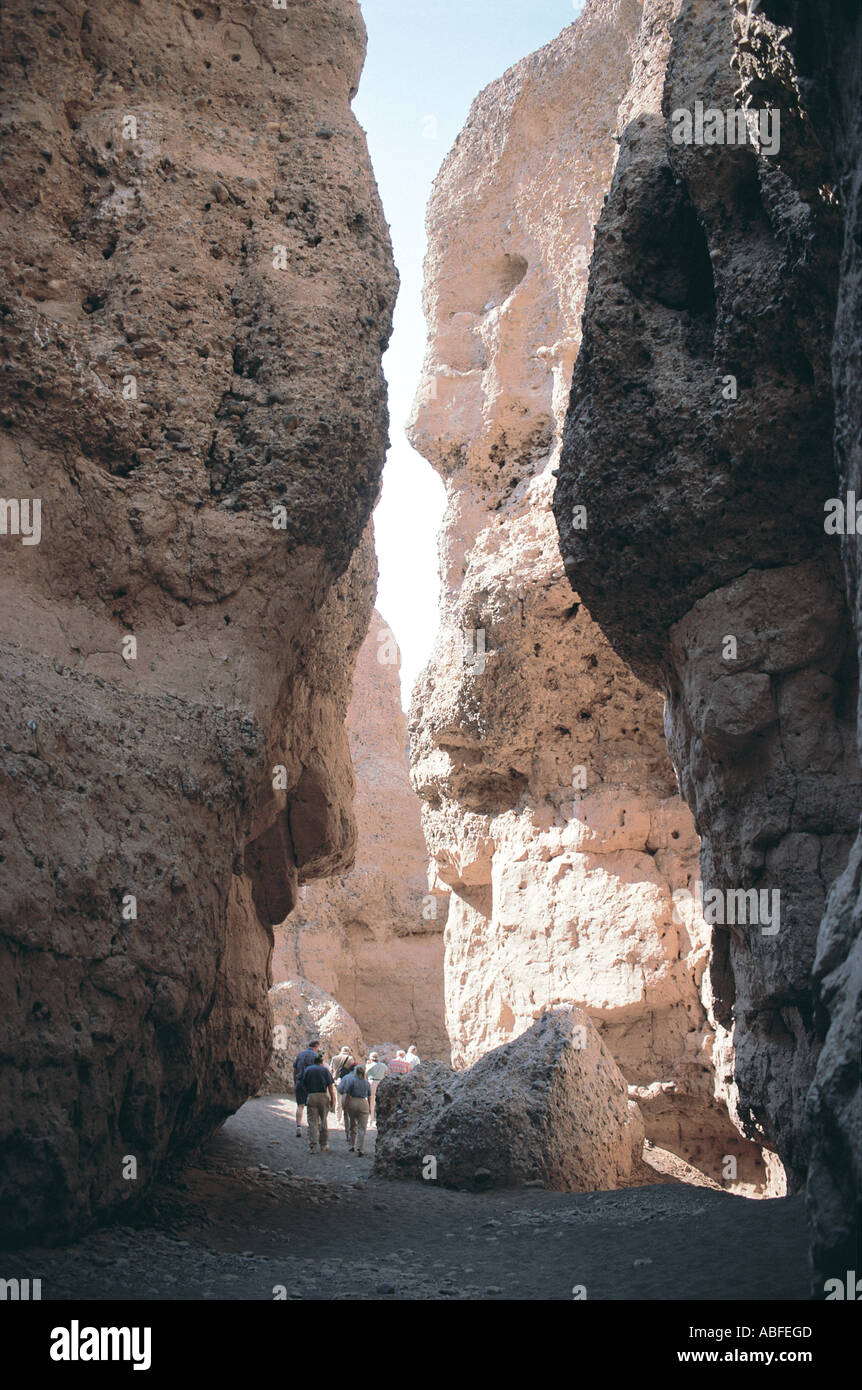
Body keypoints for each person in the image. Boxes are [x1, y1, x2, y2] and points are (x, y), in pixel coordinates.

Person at [301, 1052, 336, 1154]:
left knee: (312, 1122)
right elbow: (330, 1087)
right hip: (323, 1096)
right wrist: (332, 1100)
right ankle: (324, 1144)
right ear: (321, 1062)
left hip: (311, 1096)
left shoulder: (308, 1070)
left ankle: (313, 1146)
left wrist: (308, 1093)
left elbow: (303, 1084)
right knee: (323, 1121)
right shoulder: (325, 1070)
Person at [293, 1036, 320, 1138]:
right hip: (311, 1084)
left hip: (300, 1081)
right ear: (316, 1046)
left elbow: (295, 1069)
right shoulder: (316, 1055)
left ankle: (298, 1127)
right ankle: (311, 1129)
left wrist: (295, 1081)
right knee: (312, 1107)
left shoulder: (300, 1054)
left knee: (300, 1105)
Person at [342, 1064, 372, 1156]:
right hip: (364, 1103)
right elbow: (369, 1096)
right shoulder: (367, 1082)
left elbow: (347, 1095)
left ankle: (352, 1145)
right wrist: (370, 1107)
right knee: (362, 1127)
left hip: (353, 1101)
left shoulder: (352, 1081)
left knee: (353, 1124)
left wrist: (345, 1106)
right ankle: (361, 1148)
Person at [330, 1045, 356, 1122]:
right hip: (346, 1081)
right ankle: (343, 1120)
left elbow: (331, 1070)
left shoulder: (334, 1058)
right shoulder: (350, 1058)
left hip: (336, 1081)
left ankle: (338, 1119)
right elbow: (353, 1070)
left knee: (338, 1102)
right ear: (348, 1052)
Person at [365, 1051, 387, 1125]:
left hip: (371, 1083)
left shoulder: (369, 1065)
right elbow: (386, 1074)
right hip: (381, 1082)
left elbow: (365, 1075)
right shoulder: (383, 1065)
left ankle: (370, 1120)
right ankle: (378, 1120)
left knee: (370, 1102)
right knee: (380, 1101)